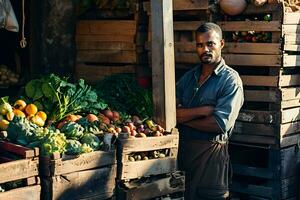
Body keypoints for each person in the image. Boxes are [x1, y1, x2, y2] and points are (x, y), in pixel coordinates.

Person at [176, 22, 244, 200]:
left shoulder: (230, 80)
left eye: (210, 44)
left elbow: (219, 124)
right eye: (200, 45)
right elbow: (169, 113)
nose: (205, 49)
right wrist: (202, 111)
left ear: (221, 44)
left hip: (211, 158)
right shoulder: (189, 77)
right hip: (182, 156)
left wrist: (181, 117)